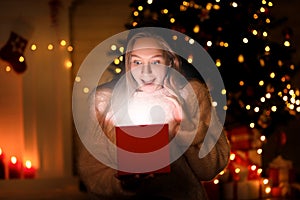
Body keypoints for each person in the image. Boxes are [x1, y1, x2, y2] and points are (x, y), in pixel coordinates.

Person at [76, 28, 230, 199]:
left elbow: (211, 169)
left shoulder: (191, 95)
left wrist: (184, 130)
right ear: (128, 64)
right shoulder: (106, 104)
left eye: (155, 62)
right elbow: (92, 173)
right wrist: (125, 184)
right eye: (137, 62)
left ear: (170, 61)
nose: (145, 72)